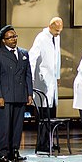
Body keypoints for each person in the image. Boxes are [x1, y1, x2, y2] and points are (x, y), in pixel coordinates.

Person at [0, 25, 34, 162]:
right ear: (3, 40)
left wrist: (29, 93)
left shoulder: (24, 53)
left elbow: (28, 74)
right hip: (6, 96)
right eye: (10, 37)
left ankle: (15, 150)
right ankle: (4, 153)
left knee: (17, 126)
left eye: (15, 36)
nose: (13, 39)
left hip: (20, 94)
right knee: (4, 126)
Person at [27, 16, 63, 151]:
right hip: (42, 81)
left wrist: (58, 76)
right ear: (51, 26)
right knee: (43, 115)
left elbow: (56, 58)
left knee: (51, 114)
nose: (59, 33)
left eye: (60, 30)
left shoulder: (56, 38)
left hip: (52, 82)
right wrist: (30, 79)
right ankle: (42, 144)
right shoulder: (41, 38)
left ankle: (49, 142)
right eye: (57, 30)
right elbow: (32, 58)